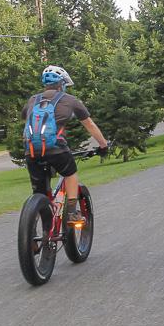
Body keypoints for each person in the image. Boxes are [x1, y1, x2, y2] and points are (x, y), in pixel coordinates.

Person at [21, 65, 108, 228]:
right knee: (70, 173)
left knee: (40, 194)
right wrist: (103, 145)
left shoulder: (33, 100)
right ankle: (72, 213)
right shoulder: (70, 100)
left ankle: (34, 233)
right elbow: (89, 124)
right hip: (57, 150)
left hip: (31, 151)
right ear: (62, 84)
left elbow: (26, 120)